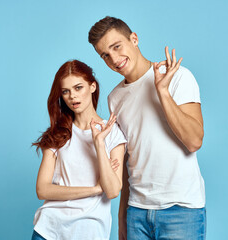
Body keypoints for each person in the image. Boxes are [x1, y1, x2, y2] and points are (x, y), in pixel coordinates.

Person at [88, 17, 206, 240]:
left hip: (181, 210)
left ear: (134, 38)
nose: (114, 59)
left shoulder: (177, 76)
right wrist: (123, 219)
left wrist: (162, 92)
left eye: (116, 46)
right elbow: (124, 163)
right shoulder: (115, 98)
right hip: (137, 213)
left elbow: (194, 141)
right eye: (105, 55)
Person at [31, 60, 127, 240]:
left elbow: (113, 191)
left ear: (92, 86)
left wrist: (99, 143)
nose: (72, 96)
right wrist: (95, 189)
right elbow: (42, 190)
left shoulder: (112, 132)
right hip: (49, 231)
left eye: (78, 88)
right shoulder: (57, 134)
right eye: (66, 91)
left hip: (90, 232)